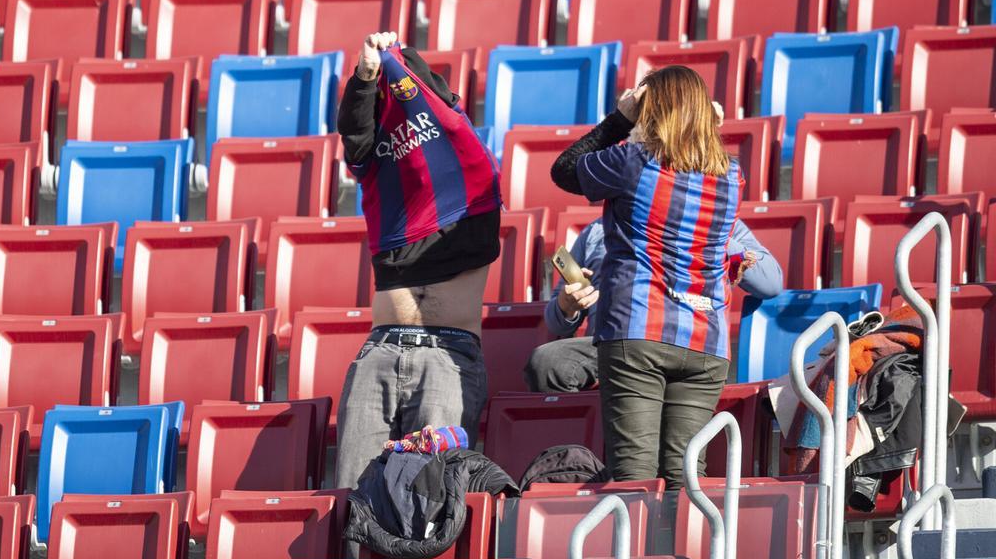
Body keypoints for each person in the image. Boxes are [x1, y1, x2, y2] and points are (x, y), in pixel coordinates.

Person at [549, 65, 755, 489]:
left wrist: (620, 119)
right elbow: (694, 152)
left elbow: (565, 170)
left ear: (652, 109)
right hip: (706, 339)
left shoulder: (633, 161)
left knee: (634, 478)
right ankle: (689, 557)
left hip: (640, 328)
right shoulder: (732, 176)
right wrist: (702, 124)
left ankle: (638, 558)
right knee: (686, 479)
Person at [333, 32, 503, 490]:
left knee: (433, 500)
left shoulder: (475, 185)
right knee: (353, 496)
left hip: (448, 355)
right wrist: (367, 76)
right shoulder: (383, 189)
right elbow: (356, 137)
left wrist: (404, 62)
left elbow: (444, 109)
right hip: (380, 350)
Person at [524, 216, 784, 394]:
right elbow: (555, 320)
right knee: (549, 361)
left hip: (677, 341)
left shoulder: (719, 221)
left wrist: (710, 230)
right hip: (607, 347)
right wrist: (567, 305)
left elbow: (771, 282)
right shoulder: (596, 231)